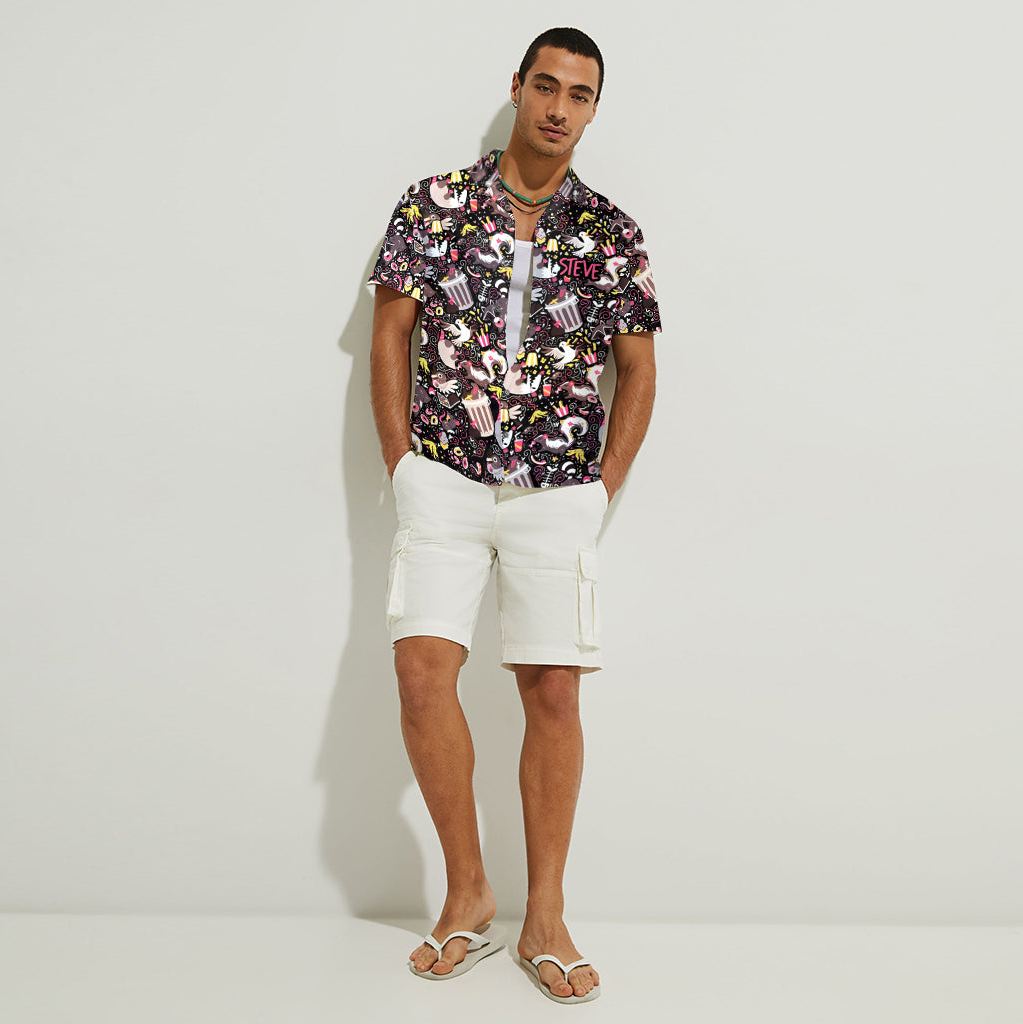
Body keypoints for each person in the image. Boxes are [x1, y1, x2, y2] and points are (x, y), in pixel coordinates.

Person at [368, 26, 662, 1004]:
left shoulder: (612, 233)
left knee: (553, 693)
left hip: (557, 489)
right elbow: (391, 333)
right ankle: (467, 893)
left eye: (579, 95)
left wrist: (602, 486)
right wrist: (401, 459)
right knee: (422, 674)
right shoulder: (432, 204)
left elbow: (638, 369)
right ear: (518, 88)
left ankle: (545, 916)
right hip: (443, 478)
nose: (558, 108)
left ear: (592, 110)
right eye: (546, 86)